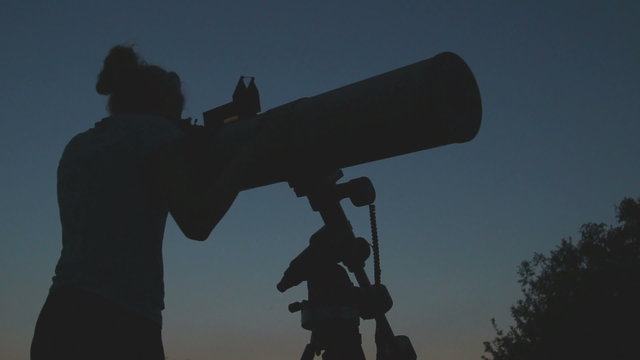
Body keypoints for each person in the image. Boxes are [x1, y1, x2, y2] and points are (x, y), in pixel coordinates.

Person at [31, 45, 243, 360]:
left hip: (59, 318)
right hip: (120, 321)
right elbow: (197, 222)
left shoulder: (78, 145)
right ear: (165, 104)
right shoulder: (156, 134)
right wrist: (247, 159)